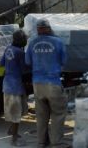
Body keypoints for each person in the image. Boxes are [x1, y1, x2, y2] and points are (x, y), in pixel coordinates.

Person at [25, 19, 67, 147]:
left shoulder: (32, 43)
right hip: (53, 82)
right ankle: (56, 143)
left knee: (42, 115)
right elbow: (64, 61)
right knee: (58, 113)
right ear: (48, 28)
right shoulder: (58, 42)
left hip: (37, 84)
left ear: (38, 29)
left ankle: (41, 142)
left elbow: (27, 62)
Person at [0, 30, 29, 147]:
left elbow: (1, 63)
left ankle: (12, 130)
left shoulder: (8, 49)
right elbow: (24, 69)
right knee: (17, 111)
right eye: (25, 39)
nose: (26, 41)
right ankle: (14, 138)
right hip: (15, 85)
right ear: (21, 40)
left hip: (7, 83)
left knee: (15, 109)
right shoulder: (20, 52)